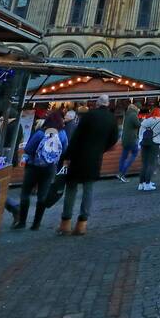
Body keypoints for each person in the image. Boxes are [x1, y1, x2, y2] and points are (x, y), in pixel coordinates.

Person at [58, 100, 119, 236]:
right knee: (88, 189)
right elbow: (114, 139)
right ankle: (82, 223)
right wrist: (101, 149)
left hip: (79, 156)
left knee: (71, 188)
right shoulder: (111, 119)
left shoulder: (89, 116)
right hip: (95, 158)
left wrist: (67, 156)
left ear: (97, 104)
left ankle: (65, 221)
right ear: (108, 104)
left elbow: (76, 137)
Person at [14, 117, 68, 231]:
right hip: (50, 169)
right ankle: (36, 224)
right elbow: (64, 151)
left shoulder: (40, 133)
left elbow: (28, 149)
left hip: (33, 167)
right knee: (42, 196)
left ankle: (22, 222)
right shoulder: (62, 134)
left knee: (25, 194)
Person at [136, 105, 160, 190]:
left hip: (144, 143)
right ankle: (147, 183)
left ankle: (141, 184)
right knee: (151, 163)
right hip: (155, 143)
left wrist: (140, 141)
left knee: (144, 163)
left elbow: (140, 133)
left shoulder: (145, 121)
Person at [117, 100, 143, 183]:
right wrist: (141, 121)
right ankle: (122, 173)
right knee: (135, 153)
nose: (139, 110)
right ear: (137, 108)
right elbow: (138, 125)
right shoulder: (133, 115)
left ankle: (120, 173)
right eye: (139, 109)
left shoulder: (127, 114)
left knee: (123, 157)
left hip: (125, 139)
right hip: (131, 139)